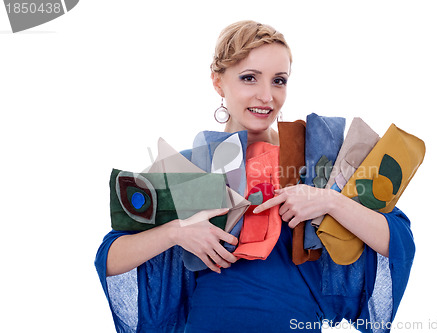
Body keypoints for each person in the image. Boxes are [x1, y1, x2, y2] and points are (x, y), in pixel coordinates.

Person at [96, 20, 415, 333]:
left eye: (279, 80)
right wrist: (176, 233)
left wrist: (329, 201)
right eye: (249, 78)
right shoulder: (191, 165)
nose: (267, 96)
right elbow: (109, 257)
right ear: (218, 82)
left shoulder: (316, 161)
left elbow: (397, 240)